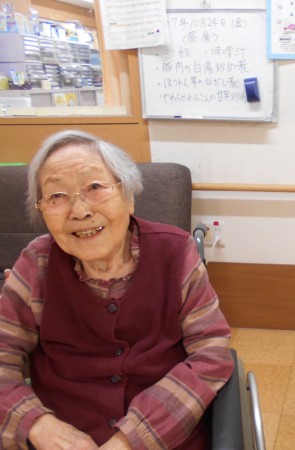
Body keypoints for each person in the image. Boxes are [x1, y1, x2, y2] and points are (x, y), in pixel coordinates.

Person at [0, 130, 234, 449]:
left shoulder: (176, 253)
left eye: (95, 187)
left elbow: (211, 354)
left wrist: (130, 439)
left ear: (128, 195)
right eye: (57, 196)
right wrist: (37, 424)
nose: (79, 211)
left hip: (166, 435)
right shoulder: (36, 263)